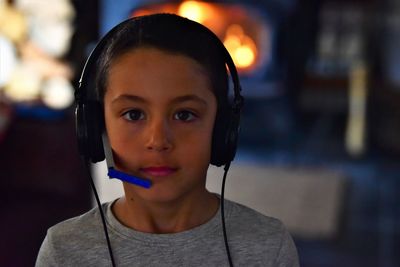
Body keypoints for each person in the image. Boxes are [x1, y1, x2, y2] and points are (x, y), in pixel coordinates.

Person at [36, 13, 299, 267]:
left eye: (184, 115)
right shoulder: (65, 251)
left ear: (221, 127)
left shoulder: (268, 247)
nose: (158, 140)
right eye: (133, 114)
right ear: (96, 126)